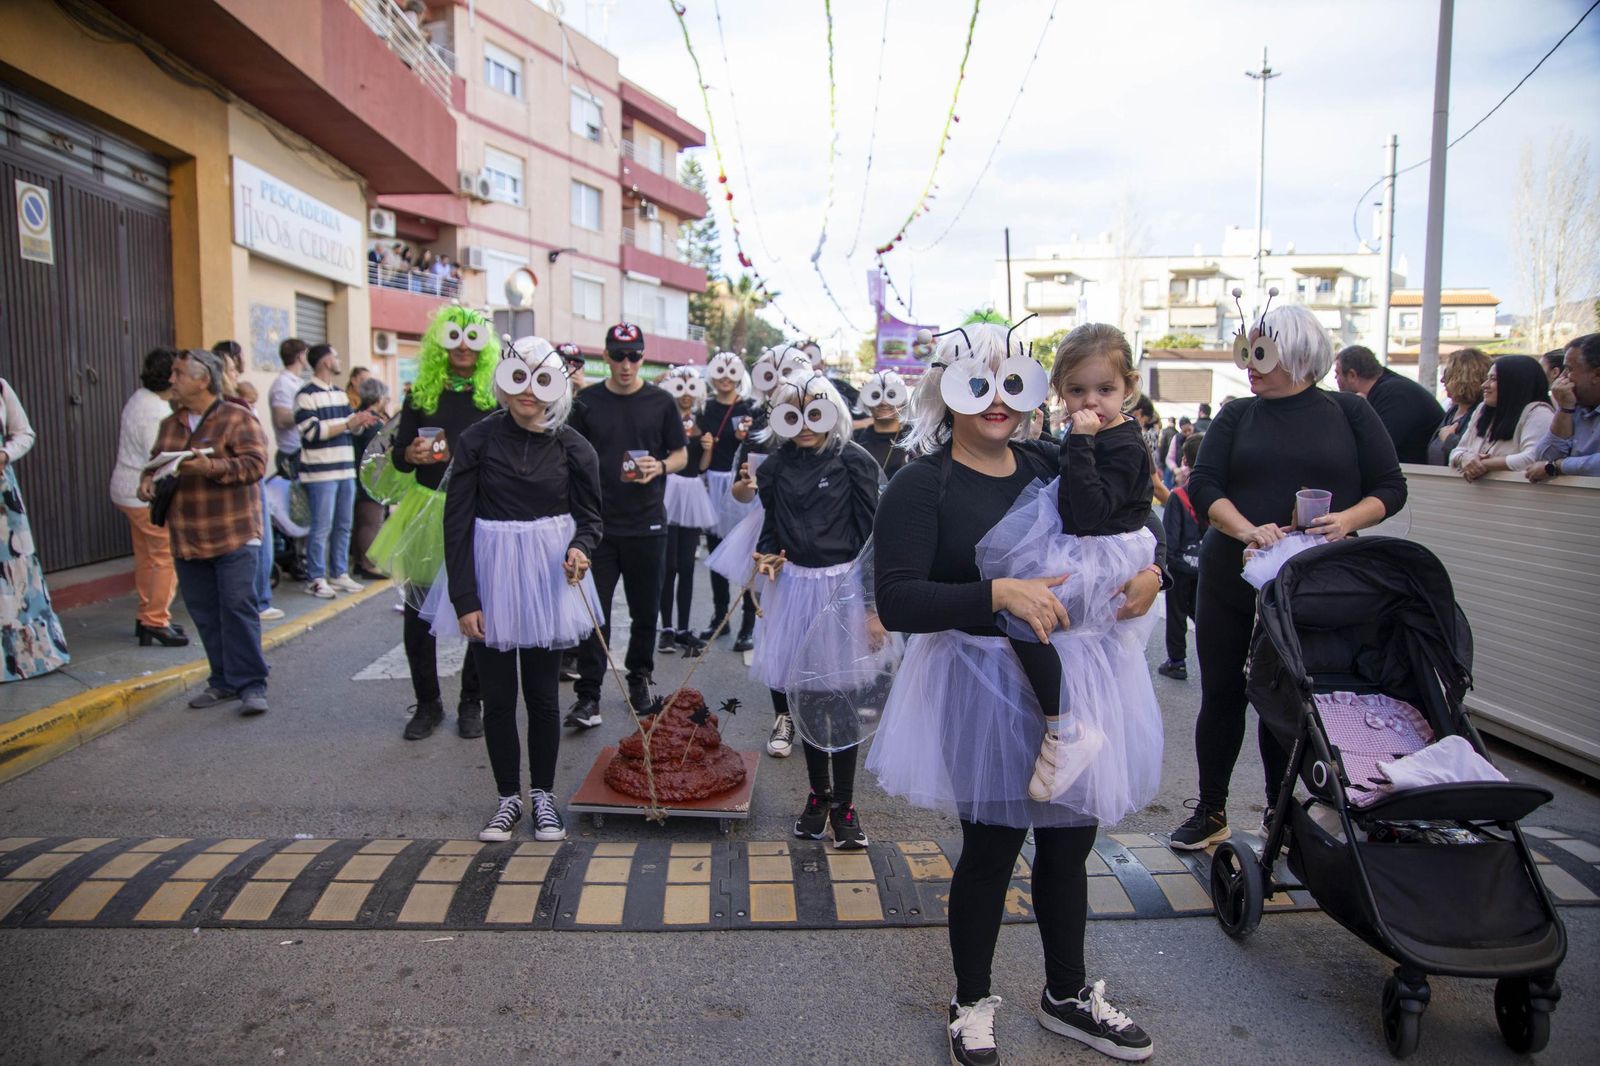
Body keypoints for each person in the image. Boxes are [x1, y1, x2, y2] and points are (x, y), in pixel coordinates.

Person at [867, 323, 1159, 1065]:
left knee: (1070, 843)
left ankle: (1066, 994)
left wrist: (1161, 576)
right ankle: (971, 1002)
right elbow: (899, 600)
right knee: (992, 847)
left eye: (1012, 383)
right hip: (982, 682)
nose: (997, 401)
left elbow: (1129, 516)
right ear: (947, 390)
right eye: (978, 383)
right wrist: (996, 591)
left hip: (1076, 675)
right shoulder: (919, 483)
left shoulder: (1051, 458)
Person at [1172, 302, 1405, 850]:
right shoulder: (1235, 415)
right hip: (1234, 576)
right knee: (1223, 694)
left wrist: (1347, 519)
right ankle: (1211, 810)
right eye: (1246, 352)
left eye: (1261, 352)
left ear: (1298, 354)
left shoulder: (1349, 412)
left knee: (1291, 697)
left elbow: (1390, 488)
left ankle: (1280, 814)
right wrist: (1248, 529)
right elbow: (1204, 487)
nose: (1249, 365)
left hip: (1312, 584)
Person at [972, 323, 1164, 812]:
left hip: (1099, 552)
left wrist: (1079, 444)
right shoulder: (1095, 433)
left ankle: (1067, 729)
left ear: (1130, 389)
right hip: (1089, 547)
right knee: (1028, 618)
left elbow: (1090, 511)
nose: (1090, 403)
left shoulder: (1119, 441)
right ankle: (1064, 726)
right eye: (1077, 391)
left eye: (1105, 390)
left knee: (1021, 618)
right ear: (1058, 391)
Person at [421, 338, 602, 842]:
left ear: (557, 387)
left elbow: (590, 519)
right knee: (498, 697)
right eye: (518, 379)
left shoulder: (574, 446)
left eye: (540, 381)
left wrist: (581, 548)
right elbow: (455, 522)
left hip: (546, 579)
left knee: (543, 695)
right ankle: (507, 799)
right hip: (492, 576)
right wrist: (465, 597)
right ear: (503, 381)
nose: (529, 393)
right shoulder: (478, 440)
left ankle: (543, 796)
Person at [748, 373, 880, 848]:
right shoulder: (775, 468)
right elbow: (770, 529)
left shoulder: (852, 461)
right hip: (795, 589)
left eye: (814, 411)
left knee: (840, 701)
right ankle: (817, 795)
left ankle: (844, 803)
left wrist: (871, 608)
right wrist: (765, 556)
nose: (804, 424)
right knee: (806, 698)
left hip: (843, 588)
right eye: (792, 413)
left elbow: (872, 539)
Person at [368, 305, 499, 740]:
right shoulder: (420, 395)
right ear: (440, 343)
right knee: (418, 617)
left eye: (471, 337)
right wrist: (410, 454)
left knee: (480, 613)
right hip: (427, 513)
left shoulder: (496, 396)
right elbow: (401, 456)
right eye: (454, 337)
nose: (463, 346)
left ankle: (471, 703)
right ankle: (427, 705)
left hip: (481, 514)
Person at [565, 323, 688, 729]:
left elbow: (681, 454)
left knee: (644, 611)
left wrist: (661, 466)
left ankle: (639, 679)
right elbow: (567, 453)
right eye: (618, 356)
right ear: (606, 357)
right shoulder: (585, 401)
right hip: (597, 526)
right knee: (593, 615)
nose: (626, 364)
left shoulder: (661, 402)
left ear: (643, 357)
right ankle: (588, 696)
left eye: (634, 356)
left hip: (647, 522)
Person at [139, 350, 269, 714]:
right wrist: (147, 481)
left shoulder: (236, 417)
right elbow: (153, 464)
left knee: (237, 607)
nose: (172, 379)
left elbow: (255, 465)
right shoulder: (170, 424)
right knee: (205, 613)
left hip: (234, 533)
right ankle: (222, 681)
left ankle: (252, 684)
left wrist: (209, 466)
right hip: (187, 537)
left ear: (202, 380)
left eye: (179, 373)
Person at [110, 348, 188, 648]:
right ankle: (156, 620)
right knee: (164, 557)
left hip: (125, 489)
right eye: (179, 373)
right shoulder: (156, 411)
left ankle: (147, 616)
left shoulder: (138, 399)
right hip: (143, 494)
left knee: (146, 556)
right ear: (170, 377)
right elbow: (158, 458)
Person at [0, 376, 71, 681]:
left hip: (3, 496)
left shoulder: (0, 387)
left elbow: (24, 433)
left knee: (14, 574)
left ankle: (24, 658)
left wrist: (5, 454)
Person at [295, 344, 380, 598]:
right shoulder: (305, 395)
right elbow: (311, 432)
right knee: (322, 527)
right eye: (335, 355)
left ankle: (339, 572)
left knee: (344, 523)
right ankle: (315, 577)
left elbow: (350, 430)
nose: (339, 360)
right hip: (321, 473)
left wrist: (358, 423)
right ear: (323, 361)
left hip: (345, 470)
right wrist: (347, 423)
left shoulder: (340, 395)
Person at [212, 340, 280, 623]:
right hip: (246, 485)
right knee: (257, 541)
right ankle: (260, 600)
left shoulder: (231, 404)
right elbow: (256, 449)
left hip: (243, 481)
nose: (235, 373)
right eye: (230, 369)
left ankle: (256, 599)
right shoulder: (234, 407)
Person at [696, 351, 760, 647]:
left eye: (731, 370)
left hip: (742, 485)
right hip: (711, 484)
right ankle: (720, 617)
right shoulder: (703, 408)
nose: (724, 376)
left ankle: (748, 623)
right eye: (719, 370)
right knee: (716, 552)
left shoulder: (750, 408)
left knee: (749, 553)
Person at [656, 366, 717, 655]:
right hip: (669, 489)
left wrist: (707, 447)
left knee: (687, 566)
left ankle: (683, 629)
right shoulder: (664, 417)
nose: (686, 395)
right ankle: (666, 629)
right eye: (680, 388)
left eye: (691, 388)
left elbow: (703, 466)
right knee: (667, 566)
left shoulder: (702, 420)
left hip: (692, 491)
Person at [1447, 354, 1554, 481]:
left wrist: (1485, 464)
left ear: (1515, 383)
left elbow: (1532, 459)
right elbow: (1457, 451)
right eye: (1487, 378)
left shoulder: (1538, 413)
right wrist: (1465, 458)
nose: (1484, 385)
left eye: (1493, 379)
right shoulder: (1482, 409)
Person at [1334, 344, 1445, 464]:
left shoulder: (1394, 394)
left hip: (1423, 475)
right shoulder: (1388, 388)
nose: (1336, 378)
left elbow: (1376, 447)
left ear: (1352, 375)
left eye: (1337, 373)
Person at [1157, 432, 1206, 680]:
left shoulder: (1179, 495)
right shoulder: (1216, 495)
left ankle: (1177, 662)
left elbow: (1170, 536)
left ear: (1185, 460)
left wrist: (1164, 562)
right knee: (1204, 614)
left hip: (1180, 566)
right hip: (1207, 567)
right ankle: (1215, 660)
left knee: (1176, 614)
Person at [1528, 333, 1600, 481]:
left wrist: (1558, 466)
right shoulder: (1574, 406)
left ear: (1597, 375)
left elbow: (1548, 465)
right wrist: (1565, 409)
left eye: (1569, 369)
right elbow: (1544, 457)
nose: (1563, 378)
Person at [349, 376, 390, 580]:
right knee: (371, 522)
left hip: (355, 474)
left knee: (361, 522)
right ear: (380, 397)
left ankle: (359, 562)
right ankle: (368, 565)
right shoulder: (372, 422)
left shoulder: (357, 416)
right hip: (370, 479)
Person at [1428, 347, 1492, 466]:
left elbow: (1475, 455)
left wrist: (1449, 439)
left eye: (1447, 375)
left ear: (1463, 380)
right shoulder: (1452, 411)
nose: (1442, 380)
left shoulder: (1483, 414)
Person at [851, 370, 911, 479]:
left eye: (891, 395)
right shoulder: (856, 441)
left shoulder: (915, 440)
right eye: (876, 395)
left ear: (903, 400)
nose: (884, 402)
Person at [268, 338, 308, 480]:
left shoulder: (298, 382)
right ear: (300, 356)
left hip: (302, 452)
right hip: (291, 453)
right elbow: (281, 419)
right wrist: (308, 413)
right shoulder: (283, 384)